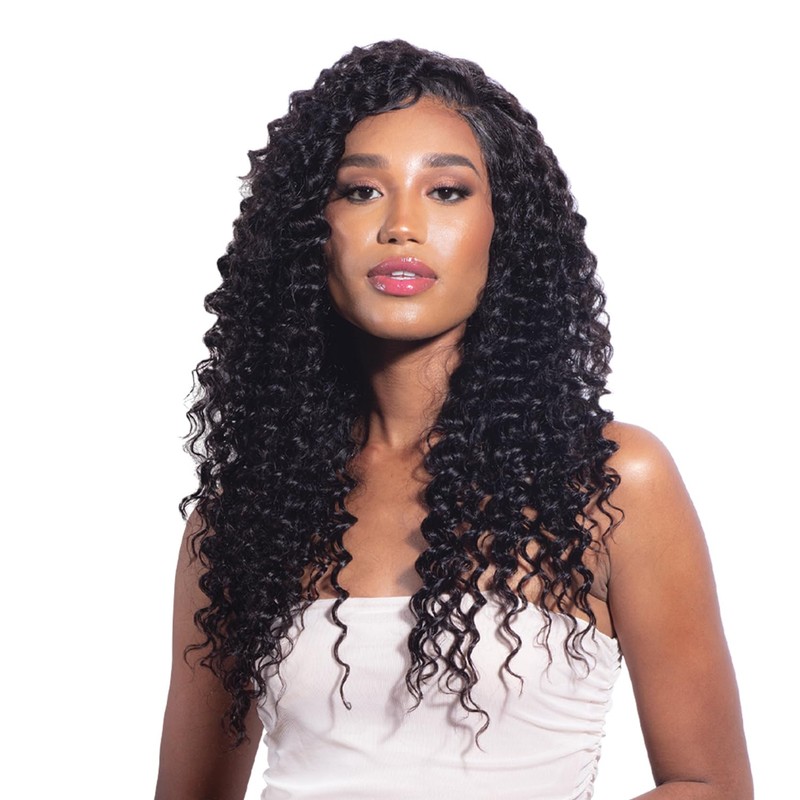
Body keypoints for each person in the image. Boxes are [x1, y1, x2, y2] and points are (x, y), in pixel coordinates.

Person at [156, 40, 752, 800]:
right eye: (360, 191)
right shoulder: (242, 517)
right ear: (310, 232)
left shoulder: (610, 484)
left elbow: (710, 785)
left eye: (446, 191)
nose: (401, 226)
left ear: (505, 230)